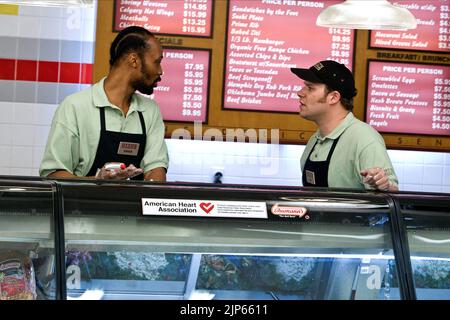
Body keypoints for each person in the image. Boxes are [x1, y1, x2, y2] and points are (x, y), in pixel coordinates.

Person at [39, 26, 168, 181]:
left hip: (132, 204)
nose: (160, 71)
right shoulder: (75, 106)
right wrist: (97, 181)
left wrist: (153, 187)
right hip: (83, 204)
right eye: (157, 62)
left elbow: (156, 168)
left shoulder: (150, 110)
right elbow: (52, 175)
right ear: (134, 60)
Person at [290, 60, 398, 191]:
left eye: (310, 88)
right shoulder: (314, 141)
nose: (300, 93)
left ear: (334, 97)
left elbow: (391, 193)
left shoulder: (364, 138)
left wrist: (383, 185)